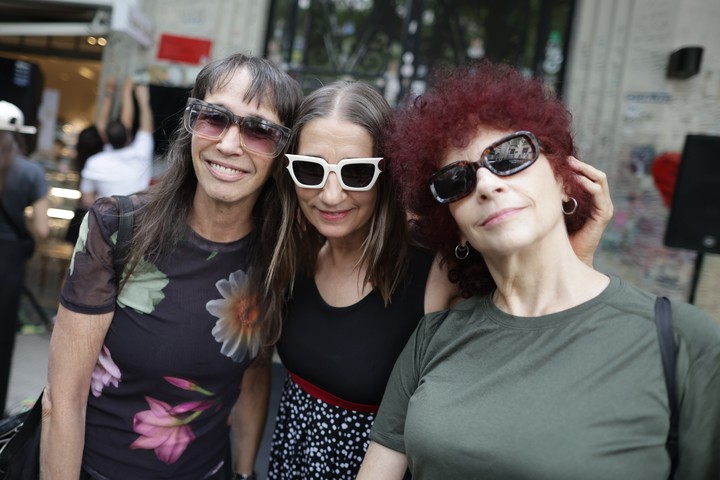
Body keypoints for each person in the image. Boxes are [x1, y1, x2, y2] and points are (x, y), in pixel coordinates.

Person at [357, 61, 720, 479]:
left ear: (566, 179)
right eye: (457, 180)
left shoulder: (681, 341)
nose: (488, 184)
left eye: (511, 156)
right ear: (454, 227)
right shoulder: (433, 338)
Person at [264, 81, 613, 478]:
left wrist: (579, 255)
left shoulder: (435, 270)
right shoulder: (292, 253)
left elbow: (536, 350)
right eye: (310, 170)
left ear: (388, 177)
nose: (329, 195)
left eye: (356, 173)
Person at [40, 53, 303, 479]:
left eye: (258, 130)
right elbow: (62, 400)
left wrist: (244, 472)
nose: (230, 144)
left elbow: (254, 371)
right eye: (214, 118)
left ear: (281, 150)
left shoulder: (277, 251)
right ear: (191, 124)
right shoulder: (116, 227)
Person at [0, 100, 49, 416]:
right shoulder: (30, 172)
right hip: (8, 262)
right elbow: (43, 229)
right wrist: (26, 218)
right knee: (3, 337)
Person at [78, 77, 155, 207]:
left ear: (105, 138)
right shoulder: (140, 154)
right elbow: (145, 128)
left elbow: (86, 199)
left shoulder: (95, 162)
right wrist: (143, 100)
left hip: (108, 219)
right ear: (129, 137)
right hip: (139, 215)